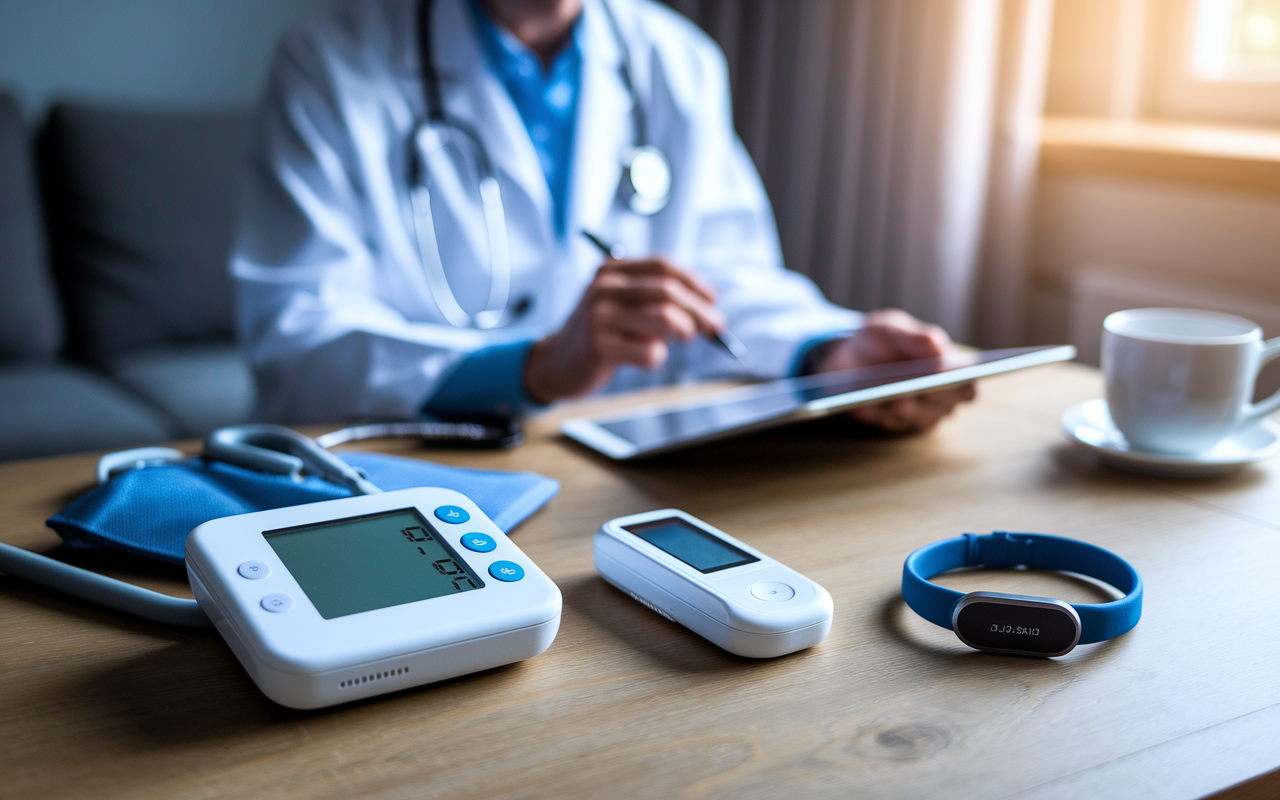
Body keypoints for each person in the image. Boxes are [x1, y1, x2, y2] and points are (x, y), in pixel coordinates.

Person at [231, 0, 974, 434]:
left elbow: (724, 278)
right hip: (413, 466)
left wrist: (827, 353)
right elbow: (299, 343)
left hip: (617, 462)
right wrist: (539, 367)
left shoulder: (675, 58)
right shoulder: (331, 56)